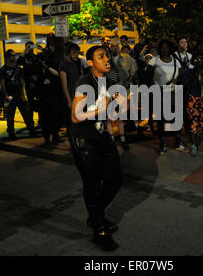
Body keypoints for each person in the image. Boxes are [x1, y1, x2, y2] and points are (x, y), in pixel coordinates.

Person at [69, 45, 123, 251]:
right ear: (90, 62)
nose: (107, 59)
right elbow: (76, 116)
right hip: (84, 140)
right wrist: (102, 109)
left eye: (107, 56)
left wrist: (113, 121)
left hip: (102, 136)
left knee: (115, 180)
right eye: (101, 57)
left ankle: (95, 215)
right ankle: (99, 229)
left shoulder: (107, 81)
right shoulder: (84, 82)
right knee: (92, 184)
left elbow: (108, 112)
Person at [145, 38, 187, 154]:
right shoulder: (154, 60)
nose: (164, 49)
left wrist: (177, 80)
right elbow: (147, 77)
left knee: (176, 119)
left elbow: (181, 75)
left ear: (170, 48)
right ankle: (162, 144)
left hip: (174, 94)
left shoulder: (175, 61)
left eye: (167, 47)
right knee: (162, 120)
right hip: (160, 94)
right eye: (162, 47)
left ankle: (178, 142)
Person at [0, 49, 35, 140]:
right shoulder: (3, 69)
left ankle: (31, 129)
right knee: (10, 115)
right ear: (7, 57)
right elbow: (2, 83)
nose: (14, 57)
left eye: (14, 55)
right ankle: (11, 132)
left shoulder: (18, 69)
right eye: (12, 55)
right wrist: (6, 94)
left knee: (26, 113)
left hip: (18, 93)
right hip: (9, 94)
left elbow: (22, 81)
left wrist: (23, 94)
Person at [181, 54, 203, 156]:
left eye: (201, 59)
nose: (199, 61)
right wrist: (192, 76)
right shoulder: (190, 71)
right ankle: (194, 145)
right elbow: (184, 84)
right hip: (193, 99)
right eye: (197, 59)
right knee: (193, 123)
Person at [106, 44, 130, 151]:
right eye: (112, 47)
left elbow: (125, 78)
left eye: (116, 46)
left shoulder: (121, 65)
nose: (114, 48)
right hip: (107, 93)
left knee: (120, 118)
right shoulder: (106, 65)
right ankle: (111, 140)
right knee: (109, 118)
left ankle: (123, 139)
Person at [60, 42, 89, 128]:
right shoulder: (64, 66)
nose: (76, 55)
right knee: (72, 124)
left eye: (77, 52)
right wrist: (69, 101)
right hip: (72, 98)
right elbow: (64, 85)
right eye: (74, 53)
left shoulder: (78, 63)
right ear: (68, 53)